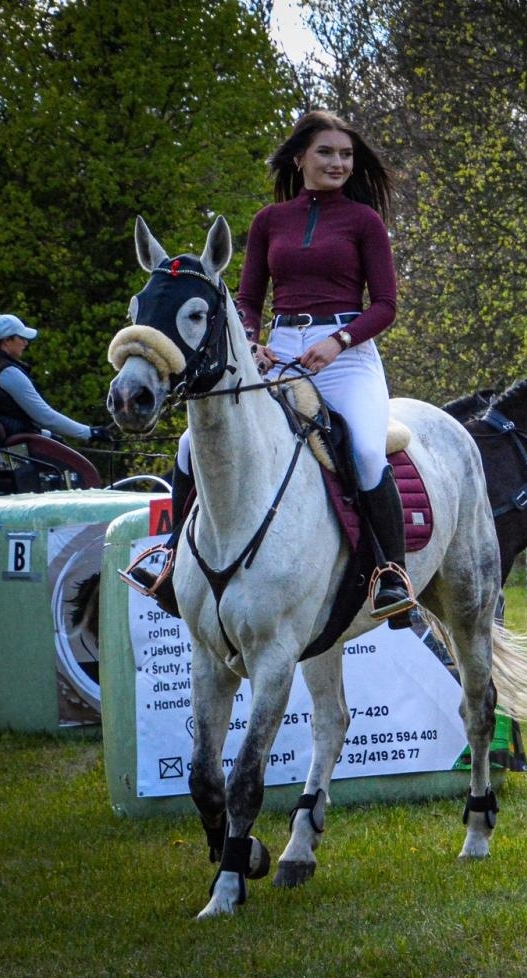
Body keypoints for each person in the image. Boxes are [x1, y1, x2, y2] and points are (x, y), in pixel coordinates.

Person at [124, 110, 412, 624]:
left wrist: (339, 341)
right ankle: (169, 556)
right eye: (326, 152)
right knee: (192, 444)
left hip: (347, 357)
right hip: (279, 351)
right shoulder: (268, 221)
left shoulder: (365, 222)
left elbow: (385, 305)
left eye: (346, 155)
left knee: (367, 450)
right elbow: (249, 298)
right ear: (300, 157)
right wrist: (252, 341)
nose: (338, 163)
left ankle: (390, 574)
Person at [0, 314, 113, 447]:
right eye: (21, 338)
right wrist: (90, 432)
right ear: (6, 340)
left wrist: (47, 434)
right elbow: (45, 417)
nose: (25, 343)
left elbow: (10, 419)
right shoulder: (8, 372)